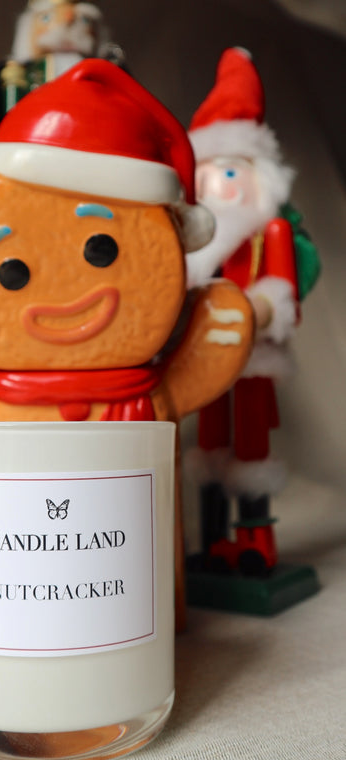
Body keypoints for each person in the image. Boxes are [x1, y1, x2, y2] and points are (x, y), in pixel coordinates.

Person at [186, 46, 319, 575]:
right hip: (207, 356)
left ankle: (256, 538)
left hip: (253, 356)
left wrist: (259, 310)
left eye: (228, 172)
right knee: (211, 440)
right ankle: (214, 539)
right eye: (205, 174)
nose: (215, 186)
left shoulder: (272, 230)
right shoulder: (196, 245)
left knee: (252, 444)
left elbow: (282, 290)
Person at [0, 0, 125, 149]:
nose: (66, 24)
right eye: (47, 18)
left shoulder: (111, 74)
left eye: (83, 20)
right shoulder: (11, 72)